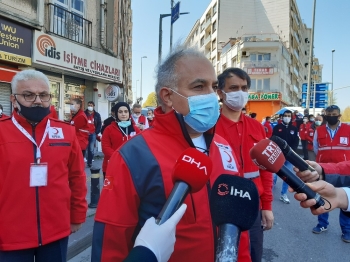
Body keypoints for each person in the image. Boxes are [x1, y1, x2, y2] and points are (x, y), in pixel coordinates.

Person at [91, 46, 249, 261]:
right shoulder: (133, 155)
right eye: (199, 87)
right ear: (167, 96)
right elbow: (112, 240)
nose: (212, 96)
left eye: (213, 87)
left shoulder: (223, 146)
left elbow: (238, 220)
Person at [0, 69, 87, 262]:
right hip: (10, 235)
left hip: (55, 232)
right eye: (28, 95)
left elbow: (77, 177)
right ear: (14, 99)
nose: (38, 101)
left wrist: (78, 214)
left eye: (44, 95)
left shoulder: (66, 132)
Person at [215, 67, 274, 262]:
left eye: (244, 88)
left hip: (252, 206)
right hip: (219, 205)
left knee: (254, 253)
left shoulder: (257, 127)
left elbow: (266, 169)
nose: (240, 93)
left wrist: (267, 206)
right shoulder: (209, 127)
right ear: (220, 93)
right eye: (233, 88)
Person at [311, 104, 350, 241]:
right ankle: (322, 224)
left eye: (334, 114)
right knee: (322, 197)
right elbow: (316, 149)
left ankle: (347, 230)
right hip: (324, 171)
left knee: (345, 200)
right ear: (325, 115)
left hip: (344, 172)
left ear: (339, 116)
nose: (331, 117)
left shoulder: (348, 129)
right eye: (329, 114)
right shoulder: (319, 131)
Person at [101, 102, 140, 179]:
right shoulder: (109, 129)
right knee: (111, 190)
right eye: (120, 112)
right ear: (116, 113)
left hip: (130, 166)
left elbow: (140, 146)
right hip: (112, 164)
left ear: (129, 113)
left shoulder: (135, 129)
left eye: (126, 111)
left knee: (127, 190)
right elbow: (105, 147)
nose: (123, 114)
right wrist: (119, 157)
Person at [272, 110, 300, 204]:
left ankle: (283, 194)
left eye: (289, 116)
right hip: (277, 156)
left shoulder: (294, 128)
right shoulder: (277, 127)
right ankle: (269, 193)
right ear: (282, 117)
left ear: (291, 117)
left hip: (289, 157)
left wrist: (292, 152)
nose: (287, 117)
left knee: (287, 177)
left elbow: (296, 141)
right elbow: (273, 140)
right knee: (274, 176)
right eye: (285, 115)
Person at [84, 101, 102, 167]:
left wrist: (96, 132)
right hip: (84, 133)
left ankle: (89, 162)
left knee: (91, 149)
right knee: (83, 148)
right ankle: (82, 160)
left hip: (92, 133)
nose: (89, 106)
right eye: (88, 105)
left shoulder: (97, 115)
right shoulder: (84, 113)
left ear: (93, 106)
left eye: (91, 105)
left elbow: (99, 124)